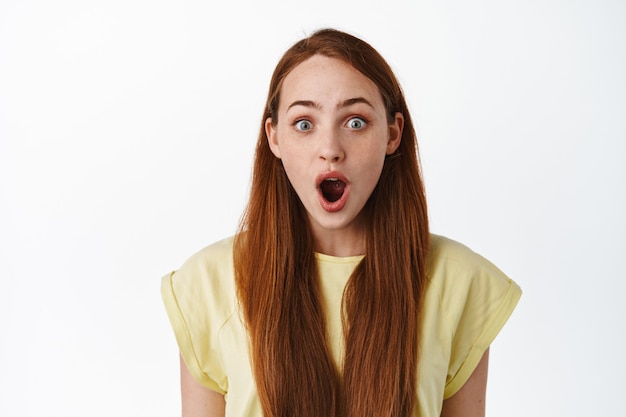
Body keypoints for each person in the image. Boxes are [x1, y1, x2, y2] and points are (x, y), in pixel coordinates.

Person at [161, 28, 521, 417]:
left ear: (393, 133)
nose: (330, 149)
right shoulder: (207, 284)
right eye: (304, 123)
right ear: (274, 137)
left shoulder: (461, 283)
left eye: (355, 122)